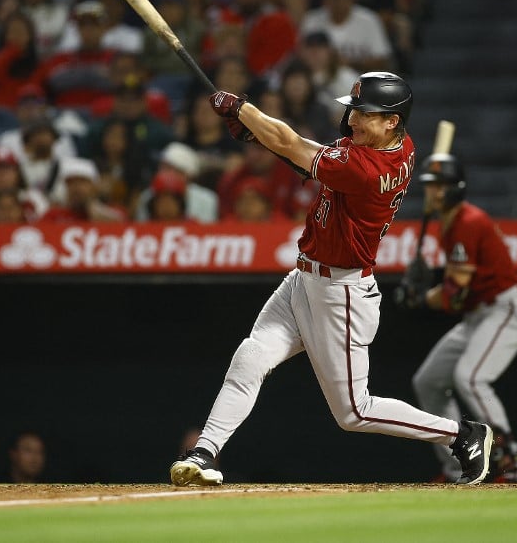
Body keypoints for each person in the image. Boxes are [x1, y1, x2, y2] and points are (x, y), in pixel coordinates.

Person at [169, 72, 495, 487]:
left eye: (364, 113)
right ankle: (205, 451)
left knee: (354, 412)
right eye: (354, 109)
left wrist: (241, 110)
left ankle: (462, 434)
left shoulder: (369, 167)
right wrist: (257, 134)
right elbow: (309, 158)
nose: (353, 119)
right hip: (304, 278)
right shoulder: (393, 144)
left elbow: (295, 147)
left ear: (392, 120)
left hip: (340, 293)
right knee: (251, 356)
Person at [409, 153, 517, 483]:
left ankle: (512, 462)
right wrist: (425, 293)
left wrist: (422, 296)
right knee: (428, 381)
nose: (433, 193)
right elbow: (457, 295)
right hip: (477, 315)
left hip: (507, 309)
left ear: (456, 189)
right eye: (430, 187)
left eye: (440, 187)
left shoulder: (468, 221)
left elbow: (454, 294)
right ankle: (458, 465)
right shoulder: (448, 225)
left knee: (470, 377)